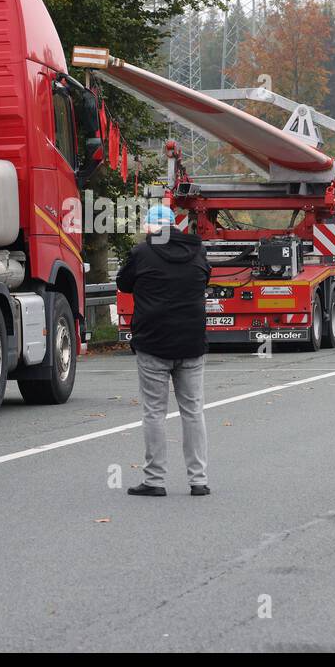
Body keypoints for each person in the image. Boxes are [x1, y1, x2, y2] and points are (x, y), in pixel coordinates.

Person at [116, 203, 212, 497]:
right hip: (192, 342)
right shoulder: (198, 251)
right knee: (193, 411)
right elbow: (204, 280)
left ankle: (155, 481)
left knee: (154, 413)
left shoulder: (142, 253)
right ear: (174, 225)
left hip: (154, 342)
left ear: (150, 226)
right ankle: (199, 480)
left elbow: (123, 283)